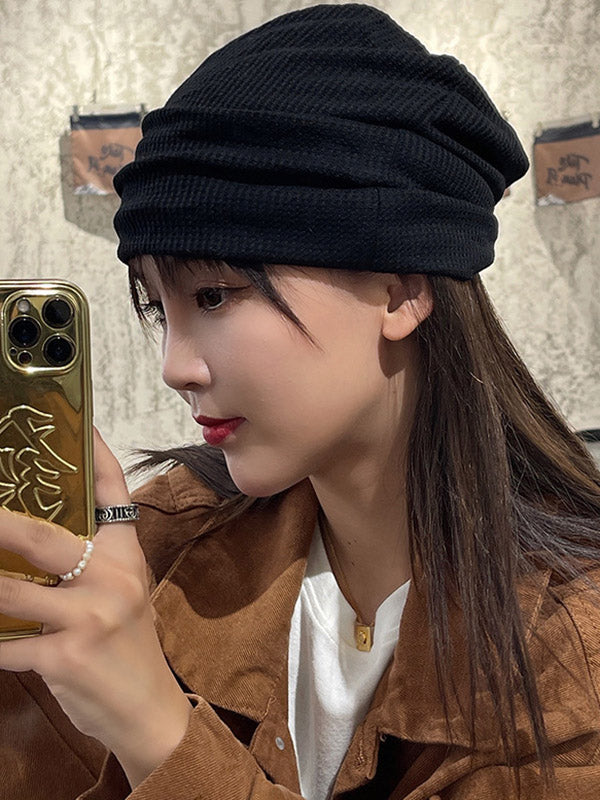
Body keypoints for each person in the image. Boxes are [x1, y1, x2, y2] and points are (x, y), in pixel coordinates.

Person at [1, 3, 600, 798]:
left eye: (214, 295)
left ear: (400, 290)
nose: (175, 367)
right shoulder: (164, 548)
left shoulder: (571, 646)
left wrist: (157, 733)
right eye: (159, 308)